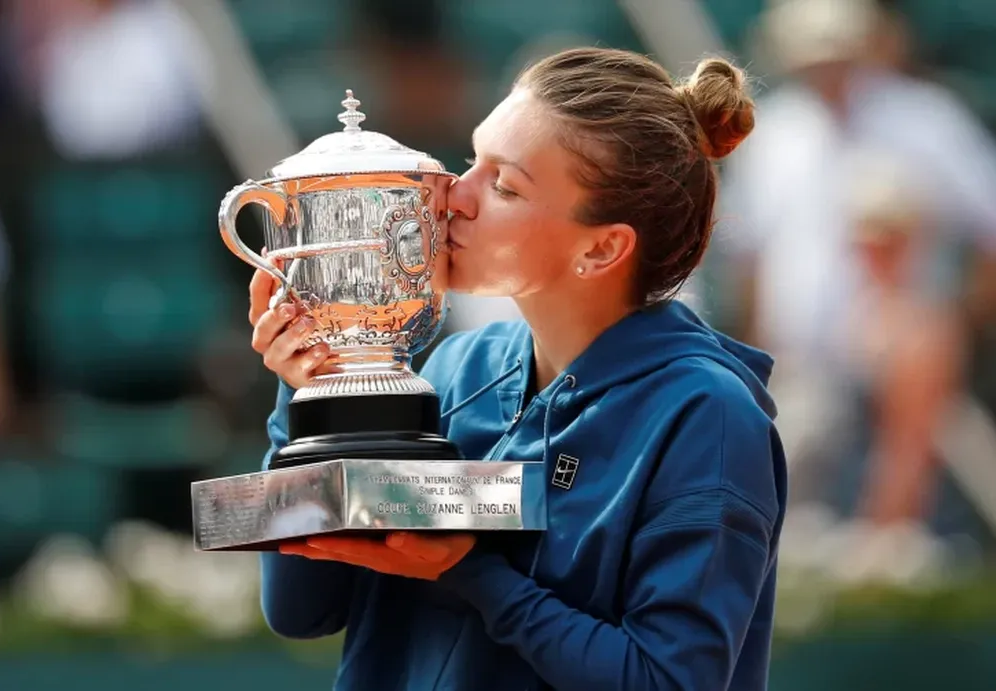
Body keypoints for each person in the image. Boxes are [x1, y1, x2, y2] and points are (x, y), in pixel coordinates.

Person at [249, 47, 786, 691]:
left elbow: (667, 681)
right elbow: (300, 611)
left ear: (602, 246)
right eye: (471, 161)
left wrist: (469, 570)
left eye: (503, 185)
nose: (452, 196)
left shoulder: (707, 415)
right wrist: (312, 398)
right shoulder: (453, 367)